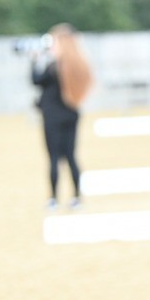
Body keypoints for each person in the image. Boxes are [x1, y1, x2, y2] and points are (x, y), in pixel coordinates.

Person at [31, 24, 93, 209]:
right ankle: (76, 197)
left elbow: (35, 80)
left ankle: (53, 199)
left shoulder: (53, 67)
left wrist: (34, 60)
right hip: (71, 115)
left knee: (53, 159)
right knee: (71, 157)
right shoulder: (78, 66)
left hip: (52, 117)